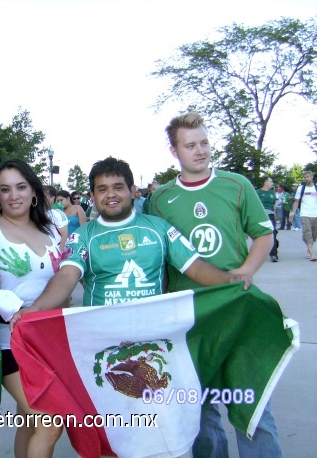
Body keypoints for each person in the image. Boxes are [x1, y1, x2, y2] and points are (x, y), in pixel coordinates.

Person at [148, 112, 279, 458]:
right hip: (190, 318)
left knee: (251, 401)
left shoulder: (237, 185)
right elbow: (159, 258)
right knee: (201, 411)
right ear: (175, 151)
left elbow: (264, 234)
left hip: (236, 310)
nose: (200, 150)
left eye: (204, 142)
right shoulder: (159, 200)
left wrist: (245, 272)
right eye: (190, 145)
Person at [10, 157, 248, 321]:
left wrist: (231, 280)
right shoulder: (83, 236)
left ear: (133, 191)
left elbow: (196, 267)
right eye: (102, 189)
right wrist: (36, 309)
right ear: (92, 196)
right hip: (101, 338)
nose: (110, 194)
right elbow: (66, 277)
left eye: (118, 187)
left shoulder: (159, 228)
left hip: (155, 335)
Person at [0, 159, 68, 458]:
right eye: (5, 189)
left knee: (28, 423)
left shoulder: (50, 230)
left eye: (21, 187)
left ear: (34, 192)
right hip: (10, 345)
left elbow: (63, 282)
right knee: (49, 422)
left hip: (51, 342)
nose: (14, 195)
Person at [289, 170, 317, 261]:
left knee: (313, 234)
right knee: (307, 232)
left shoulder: (316, 188)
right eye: (305, 177)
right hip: (304, 213)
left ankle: (309, 250)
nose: (306, 179)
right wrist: (292, 213)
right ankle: (312, 254)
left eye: (308, 177)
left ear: (312, 177)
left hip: (315, 214)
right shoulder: (301, 188)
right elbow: (296, 201)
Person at [255, 176, 279, 262]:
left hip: (270, 215)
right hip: (261, 215)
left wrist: (275, 216)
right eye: (270, 181)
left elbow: (273, 205)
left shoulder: (272, 193)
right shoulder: (257, 192)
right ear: (265, 182)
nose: (272, 183)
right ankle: (257, 254)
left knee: (273, 233)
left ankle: (274, 254)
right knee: (260, 235)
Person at [44, 185, 69, 250]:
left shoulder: (58, 213)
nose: (41, 198)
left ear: (52, 198)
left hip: (56, 250)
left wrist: (59, 252)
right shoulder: (36, 213)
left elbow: (64, 236)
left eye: (44, 196)